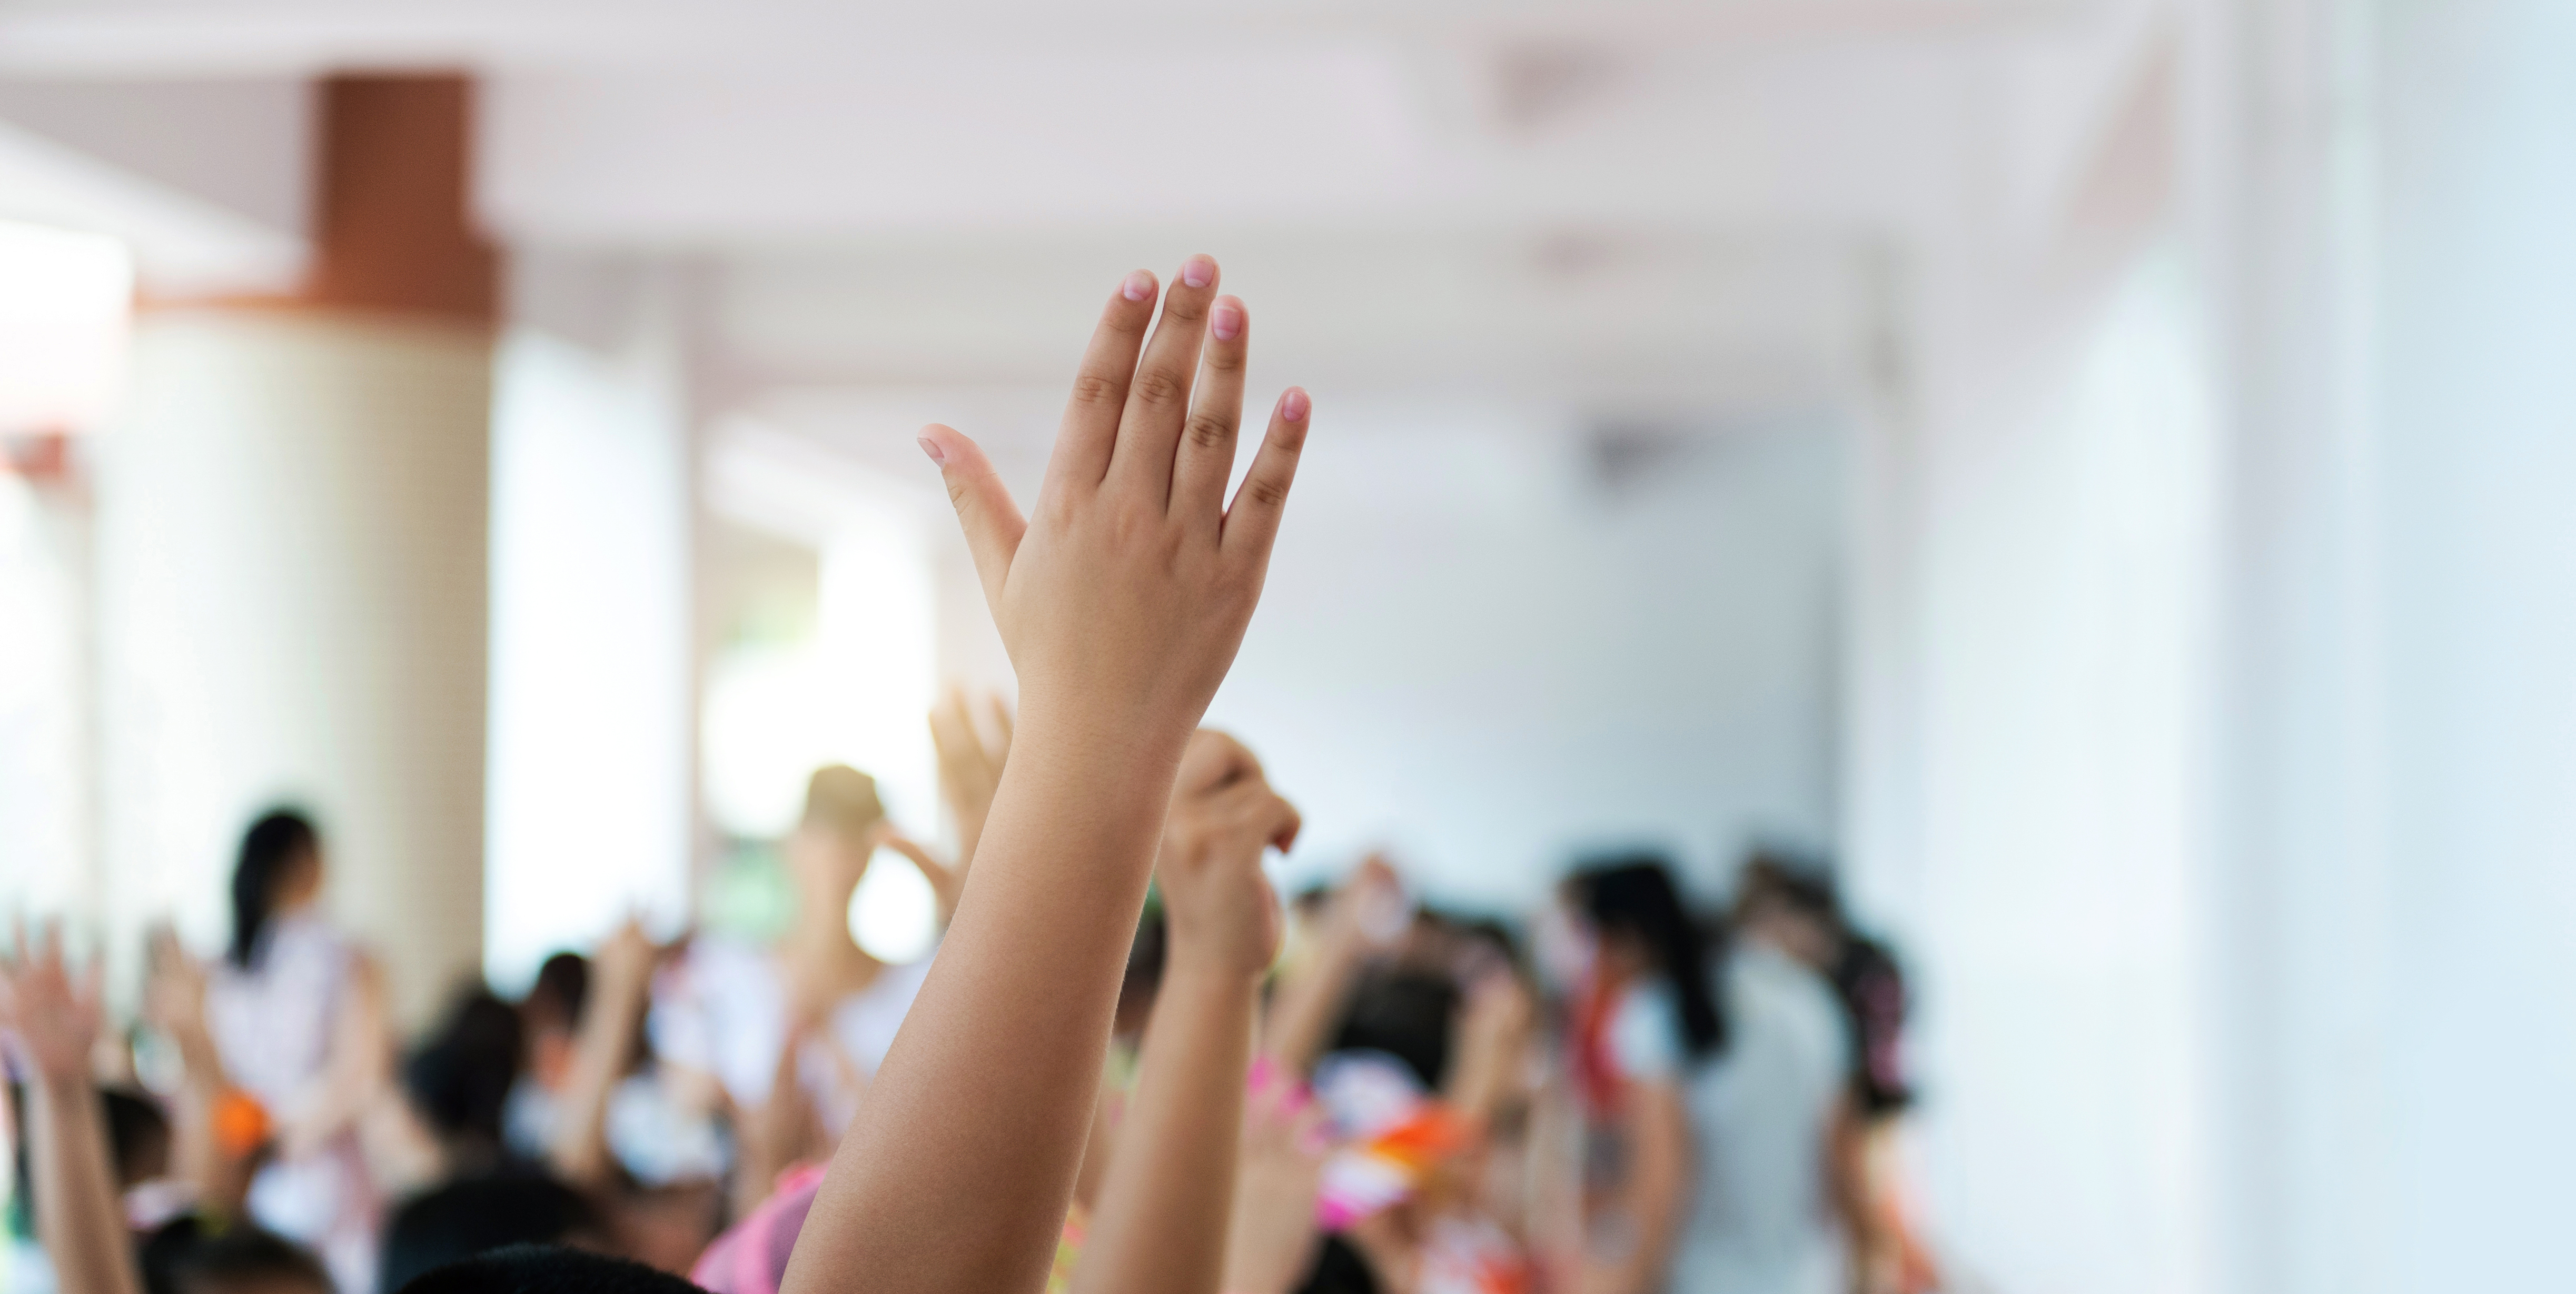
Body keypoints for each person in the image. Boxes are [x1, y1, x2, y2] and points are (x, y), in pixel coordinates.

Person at [1563, 857, 1859, 1294]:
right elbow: (1841, 1161)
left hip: (1704, 1278)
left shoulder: (1654, 1015)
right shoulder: (1806, 1000)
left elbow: (1659, 1186)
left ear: (1625, 939)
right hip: (1808, 1277)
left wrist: (1618, 1282)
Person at [203, 809, 393, 1293]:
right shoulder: (345, 955)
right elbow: (362, 1079)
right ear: (305, 862)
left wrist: (261, 1141)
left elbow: (218, 1085)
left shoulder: (223, 968)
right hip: (330, 1177)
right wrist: (293, 1134)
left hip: (254, 1176)